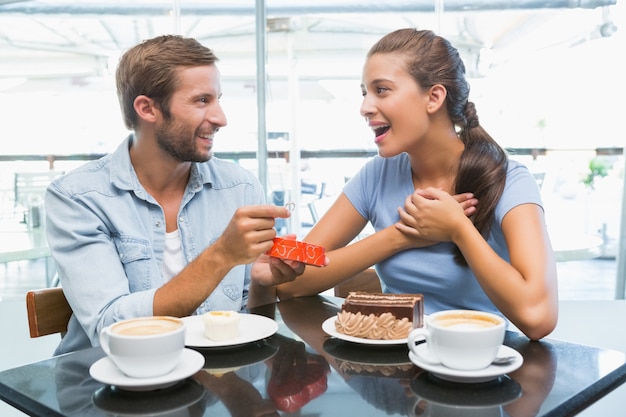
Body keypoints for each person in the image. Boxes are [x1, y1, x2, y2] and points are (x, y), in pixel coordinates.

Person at [269, 28, 558, 341]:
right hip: (394, 366)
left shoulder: (509, 181)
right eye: (364, 92)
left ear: (433, 97)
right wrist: (400, 237)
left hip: (475, 365)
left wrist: (458, 230)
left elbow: (538, 318)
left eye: (381, 90)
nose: (365, 107)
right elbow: (292, 279)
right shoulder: (375, 176)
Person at [45, 35, 304, 355]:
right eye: (201, 100)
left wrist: (264, 283)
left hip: (214, 382)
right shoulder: (78, 198)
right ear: (147, 109)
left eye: (218, 99)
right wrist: (222, 255)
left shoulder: (240, 187)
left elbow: (245, 320)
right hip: (113, 385)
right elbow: (110, 329)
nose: (221, 118)